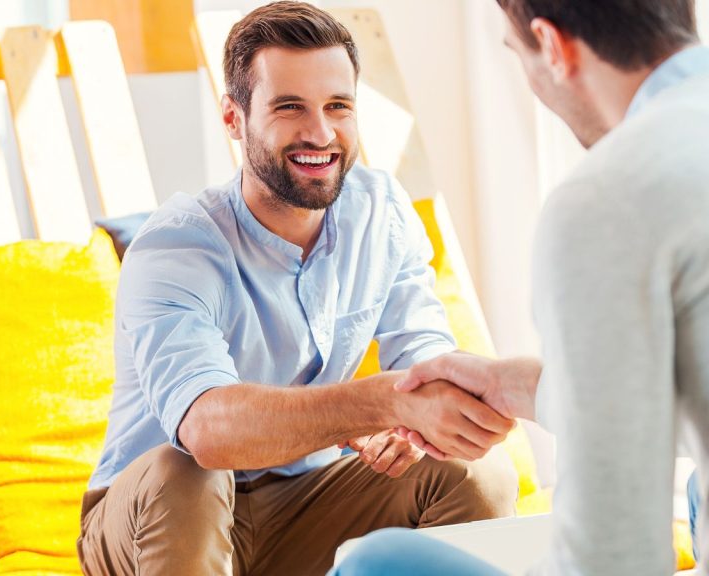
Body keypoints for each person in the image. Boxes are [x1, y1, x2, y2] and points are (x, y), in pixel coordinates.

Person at [335, 0, 709, 575]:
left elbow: (616, 557)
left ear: (554, 45)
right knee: (699, 494)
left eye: (521, 57)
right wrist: (512, 385)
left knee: (375, 562)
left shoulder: (605, 198)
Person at [76, 3, 519, 575]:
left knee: (476, 471)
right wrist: (384, 402)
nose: (321, 132)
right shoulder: (177, 246)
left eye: (338, 106)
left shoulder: (381, 214)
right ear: (234, 119)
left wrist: (422, 423)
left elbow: (425, 357)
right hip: (152, 520)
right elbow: (207, 433)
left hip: (303, 502)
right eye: (290, 108)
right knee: (186, 473)